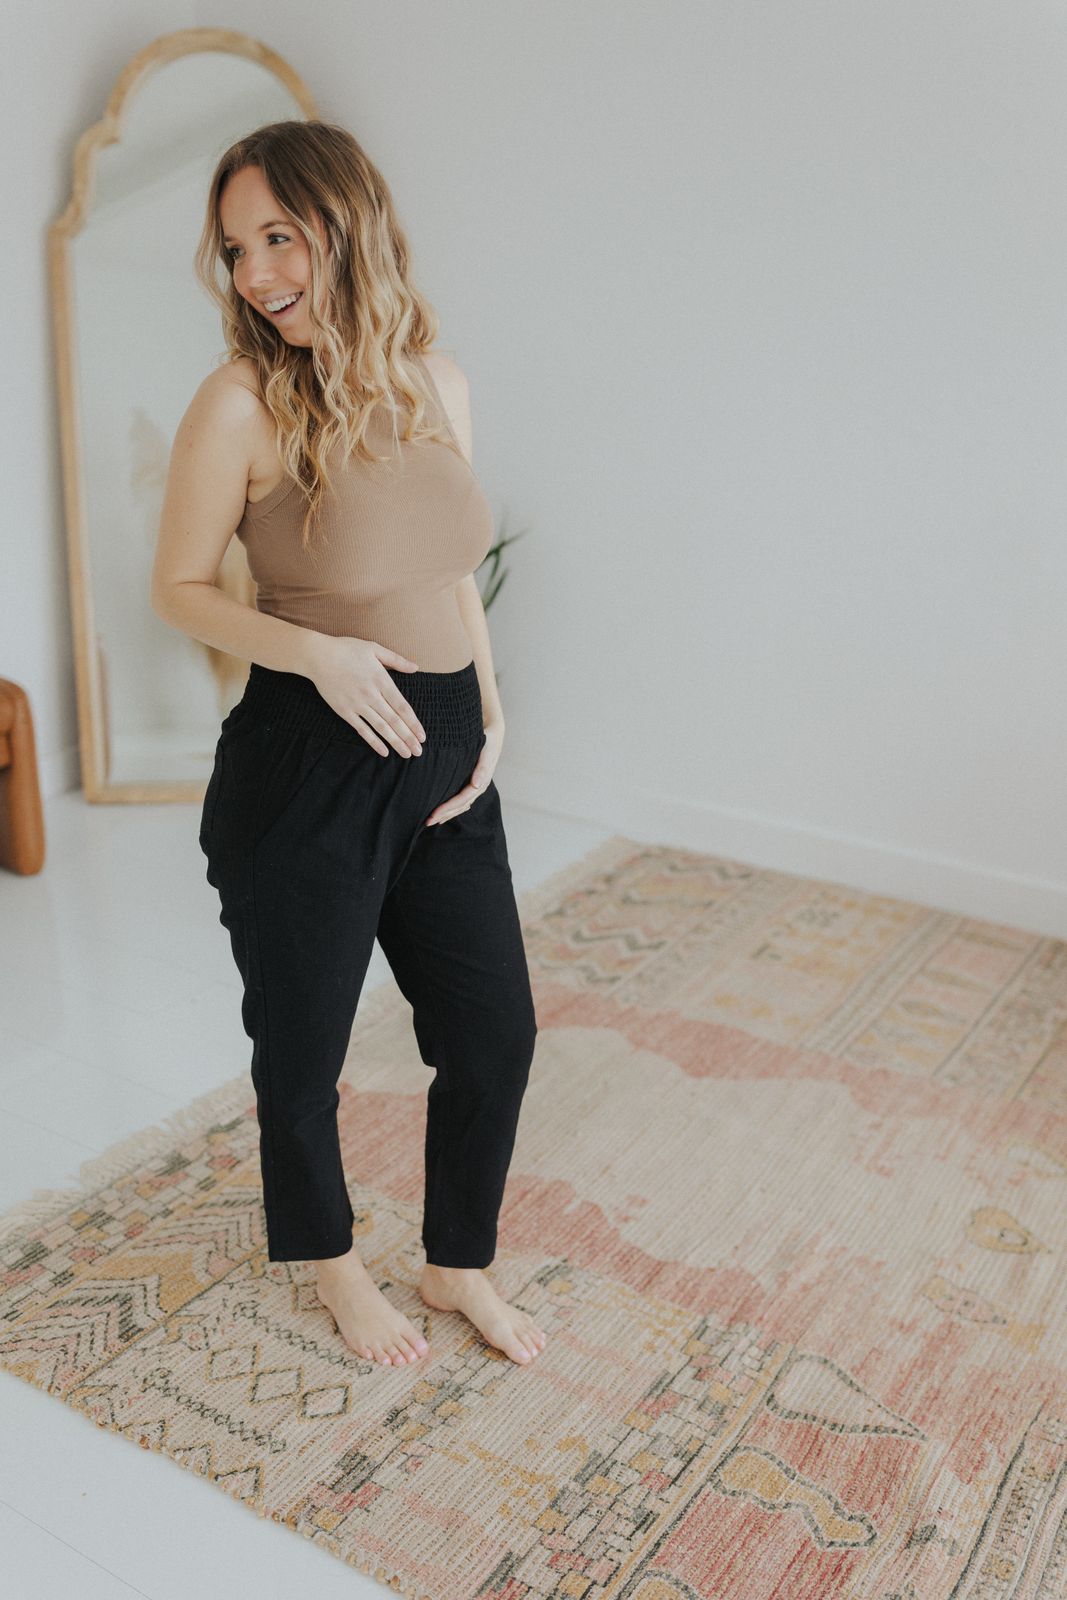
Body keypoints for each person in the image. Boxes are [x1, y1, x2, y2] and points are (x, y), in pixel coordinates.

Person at [150, 120, 545, 1369]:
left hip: (446, 761)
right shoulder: (239, 403)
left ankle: (454, 1261)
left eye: (279, 237)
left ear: (347, 222)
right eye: (235, 249)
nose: (257, 273)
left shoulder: (438, 381)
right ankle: (329, 1263)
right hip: (305, 766)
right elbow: (178, 588)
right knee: (303, 1052)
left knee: (493, 1033)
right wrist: (315, 653)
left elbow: (451, 565)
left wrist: (489, 705)